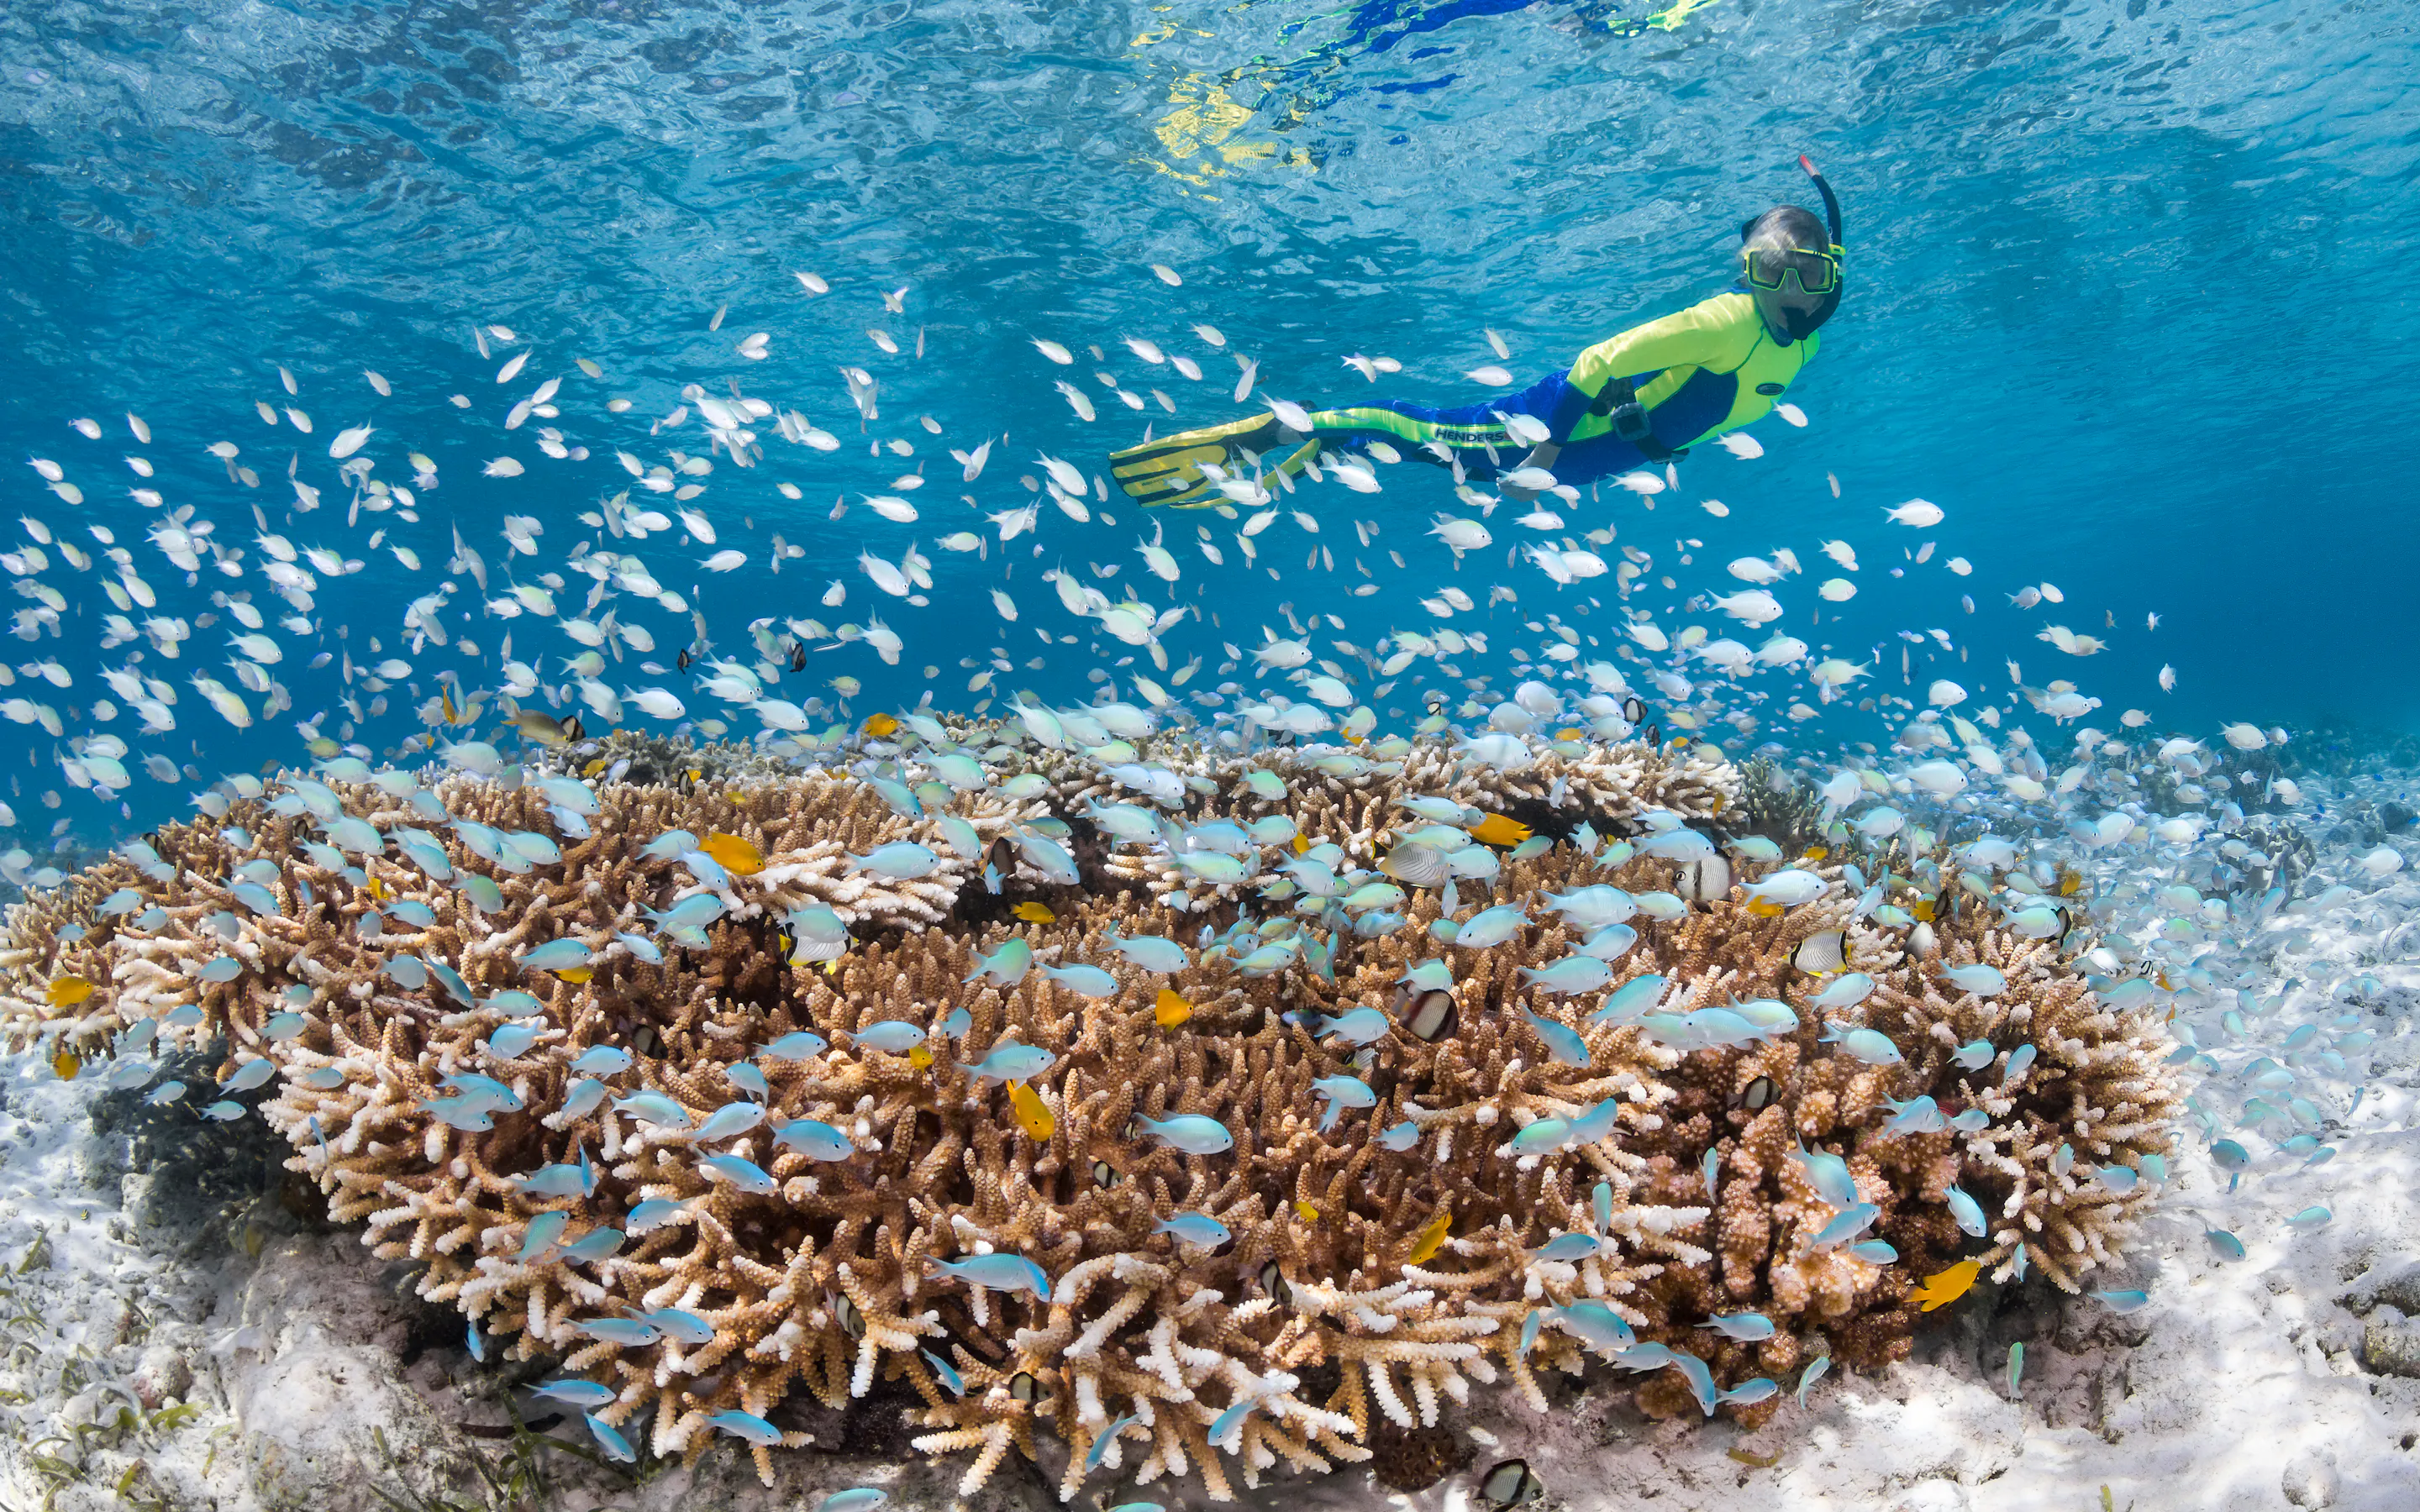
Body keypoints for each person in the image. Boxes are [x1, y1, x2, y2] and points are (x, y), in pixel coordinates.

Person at [1109, 156, 1842, 507]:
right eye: (1766, 272)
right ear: (1745, 274)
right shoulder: (1727, 320)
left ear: (1830, 272)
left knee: (1423, 453)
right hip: (1553, 433)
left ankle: (1324, 448)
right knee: (1411, 426)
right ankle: (1263, 435)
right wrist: (1547, 452)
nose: (1787, 293)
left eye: (1804, 274)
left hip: (1593, 451)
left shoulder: (1802, 338)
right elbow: (1601, 359)